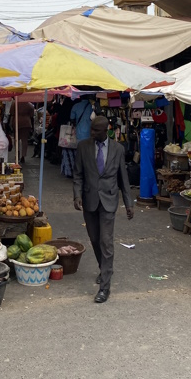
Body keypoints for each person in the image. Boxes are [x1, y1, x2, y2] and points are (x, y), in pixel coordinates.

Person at [72, 116, 134, 303]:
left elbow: (123, 178)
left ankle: (104, 288)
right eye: (92, 129)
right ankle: (104, 268)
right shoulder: (83, 147)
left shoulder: (118, 149)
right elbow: (78, 174)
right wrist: (76, 195)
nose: (92, 133)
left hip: (109, 201)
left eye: (96, 131)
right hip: (89, 199)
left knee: (106, 241)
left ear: (106, 130)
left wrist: (129, 204)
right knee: (95, 239)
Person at [10, 99, 35, 164]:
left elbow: (11, 114)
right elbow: (32, 117)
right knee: (24, 140)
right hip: (26, 123)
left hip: (16, 122)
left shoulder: (14, 104)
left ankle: (17, 155)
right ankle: (23, 156)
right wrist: (33, 126)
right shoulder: (29, 105)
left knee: (16, 140)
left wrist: (9, 124)